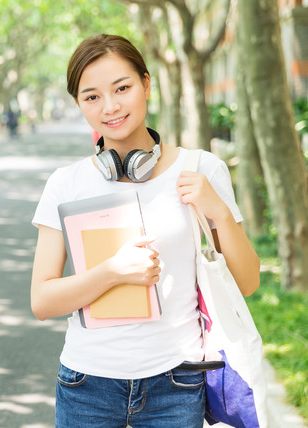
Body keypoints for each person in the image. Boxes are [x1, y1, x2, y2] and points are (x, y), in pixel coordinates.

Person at [30, 34, 260, 428]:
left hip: (177, 382)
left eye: (122, 88)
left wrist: (219, 212)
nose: (111, 106)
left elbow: (249, 281)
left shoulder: (201, 169)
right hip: (86, 384)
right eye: (92, 97)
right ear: (79, 105)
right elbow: (43, 301)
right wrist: (113, 272)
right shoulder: (65, 183)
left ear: (146, 84)